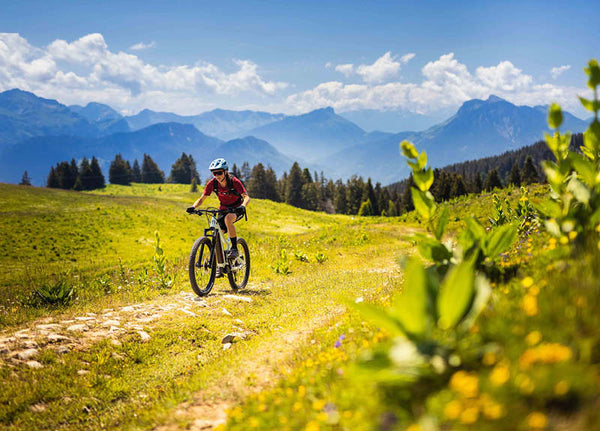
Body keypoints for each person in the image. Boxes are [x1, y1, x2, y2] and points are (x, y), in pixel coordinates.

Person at [186, 158, 250, 260]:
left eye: (219, 173)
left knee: (228, 219)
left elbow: (246, 197)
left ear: (225, 171)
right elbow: (201, 199)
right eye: (214, 173)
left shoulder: (234, 182)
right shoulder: (212, 183)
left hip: (236, 209)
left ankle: (234, 248)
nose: (217, 176)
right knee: (217, 234)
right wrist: (193, 207)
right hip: (223, 209)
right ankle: (221, 262)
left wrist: (243, 206)